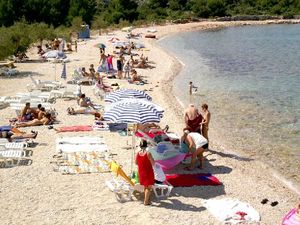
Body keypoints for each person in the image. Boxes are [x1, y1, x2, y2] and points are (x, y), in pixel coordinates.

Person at [135, 140, 155, 205]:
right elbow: (153, 163)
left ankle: (147, 199)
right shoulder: (148, 153)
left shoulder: (138, 153)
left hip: (141, 171)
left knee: (145, 186)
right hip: (148, 171)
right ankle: (146, 201)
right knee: (148, 188)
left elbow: (136, 163)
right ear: (146, 146)